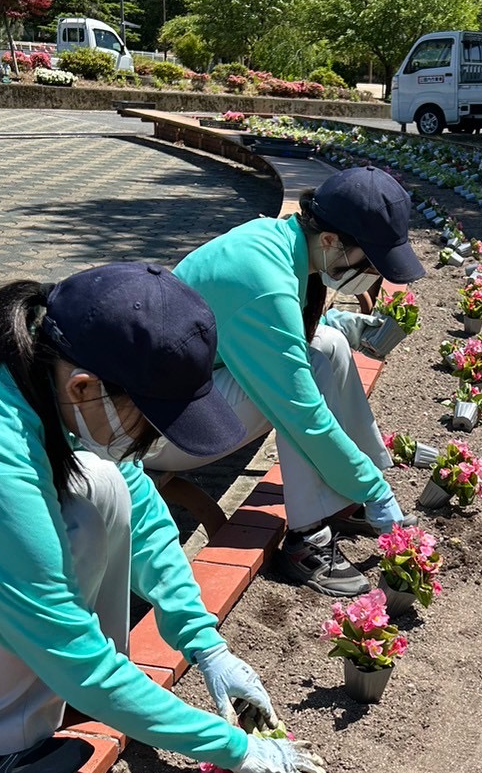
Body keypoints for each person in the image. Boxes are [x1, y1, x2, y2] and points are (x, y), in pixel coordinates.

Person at [0, 263, 326, 773]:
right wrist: (235, 749)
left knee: (97, 486)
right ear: (84, 387)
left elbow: (137, 501)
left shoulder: (35, 371)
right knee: (36, 581)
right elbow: (63, 639)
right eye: (152, 420)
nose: (153, 440)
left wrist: (205, 645)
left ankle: (59, 702)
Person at [147, 167, 425, 597]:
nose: (371, 273)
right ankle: (306, 538)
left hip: (181, 398)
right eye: (368, 261)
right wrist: (376, 490)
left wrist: (339, 322)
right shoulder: (263, 281)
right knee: (301, 388)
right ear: (329, 240)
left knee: (328, 344)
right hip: (151, 433)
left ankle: (343, 497)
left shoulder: (277, 241)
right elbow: (301, 412)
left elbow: (266, 327)